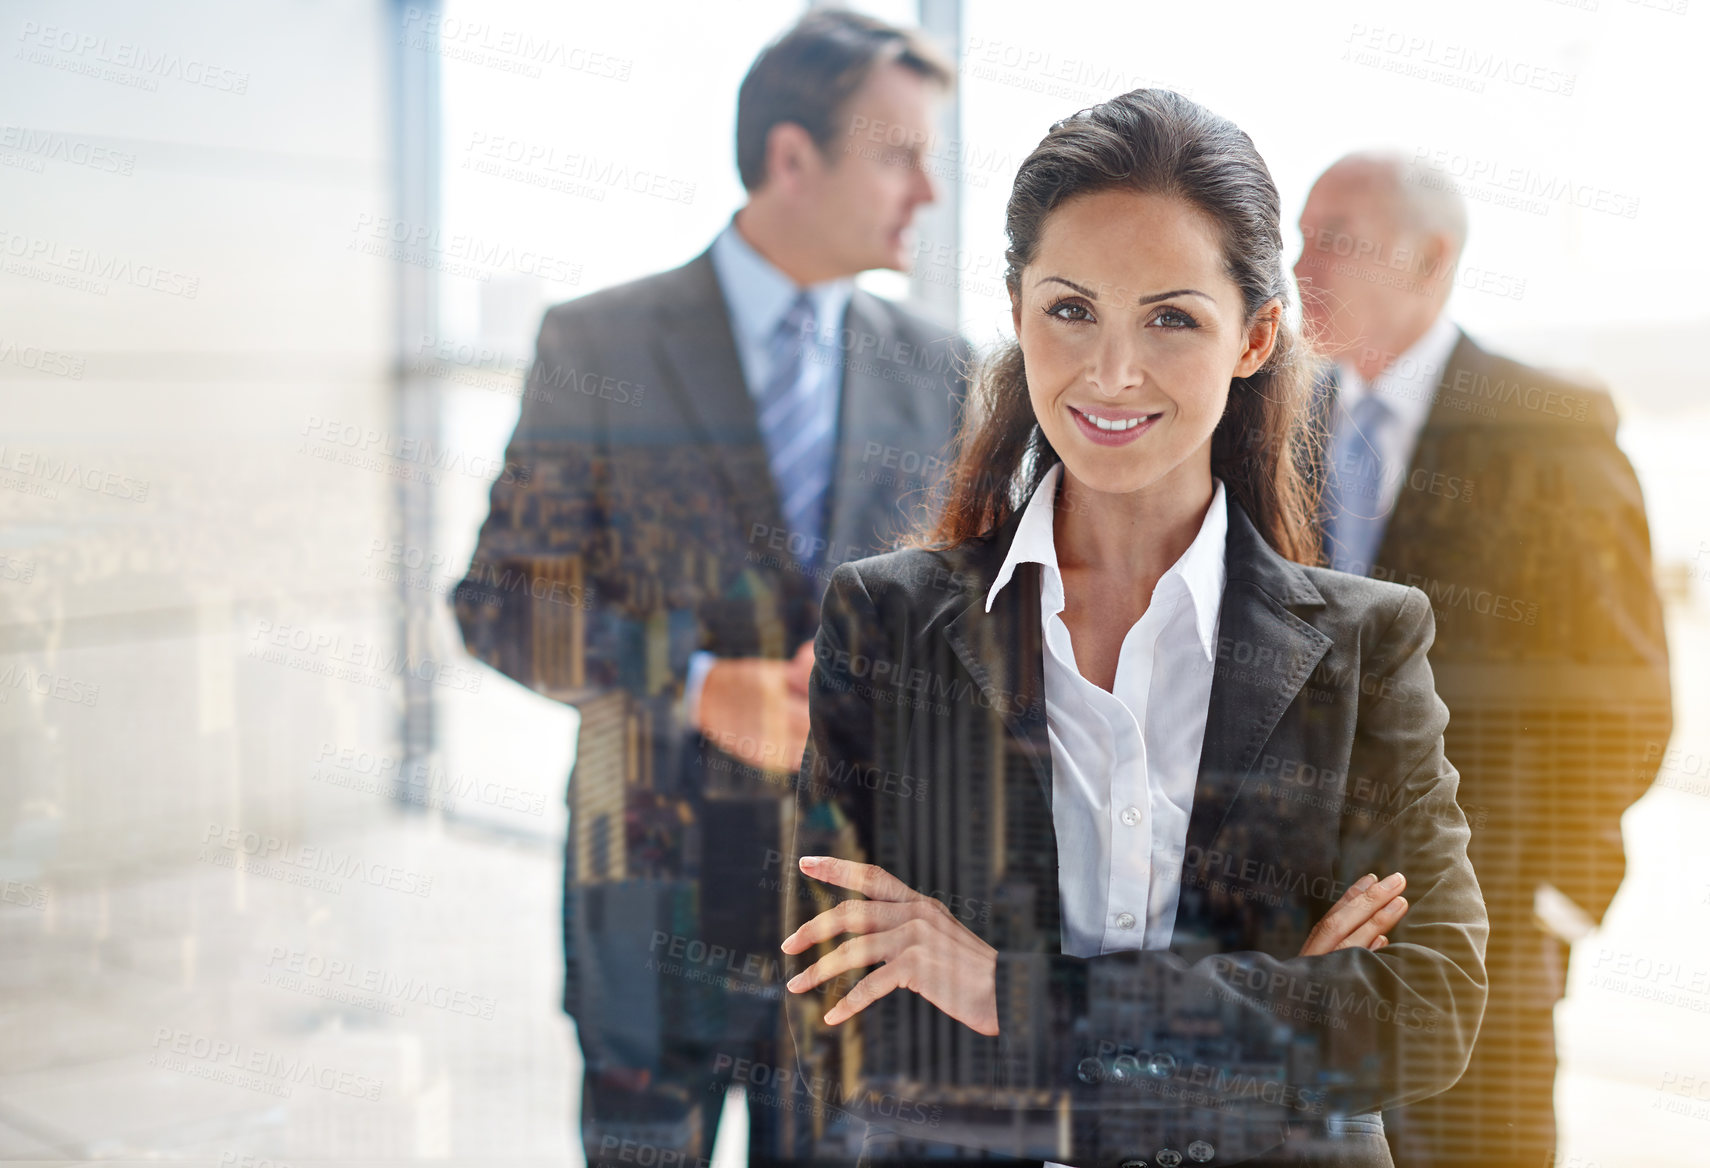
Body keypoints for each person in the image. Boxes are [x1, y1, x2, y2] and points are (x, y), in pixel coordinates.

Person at [778, 89, 1488, 1168]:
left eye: (1170, 317)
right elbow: (846, 1024)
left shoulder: (1364, 646)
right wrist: (1277, 1022)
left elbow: (1424, 1012)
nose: (1112, 372)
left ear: (1253, 336)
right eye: (1071, 309)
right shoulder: (888, 622)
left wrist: (998, 987)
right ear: (1018, 309)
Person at [451, 10, 968, 1166]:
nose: (927, 190)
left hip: (853, 926)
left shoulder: (946, 372)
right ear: (793, 156)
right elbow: (495, 600)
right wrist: (689, 680)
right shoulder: (599, 343)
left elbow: (973, 622)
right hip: (650, 906)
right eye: (899, 154)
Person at [1294, 152, 1673, 1168]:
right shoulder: (1275, 427)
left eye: (1335, 236)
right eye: (1299, 235)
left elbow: (1627, 690)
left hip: (1485, 917)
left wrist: (1554, 892)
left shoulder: (1548, 430)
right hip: (1296, 922)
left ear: (1429, 257)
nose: (1301, 262)